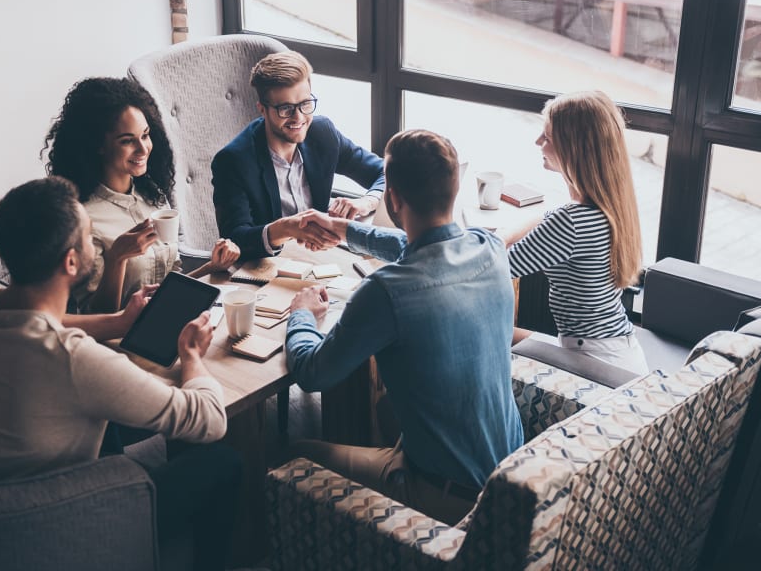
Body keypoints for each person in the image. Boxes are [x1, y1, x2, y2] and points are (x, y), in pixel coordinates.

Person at [0, 177, 240, 570]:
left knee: (130, 423)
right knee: (222, 461)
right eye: (87, 235)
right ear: (71, 261)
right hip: (54, 525)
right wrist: (191, 356)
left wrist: (118, 322)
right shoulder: (73, 360)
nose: (94, 242)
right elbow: (209, 420)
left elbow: (46, 319)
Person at [283, 129, 524, 525]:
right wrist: (344, 230)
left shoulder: (385, 291)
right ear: (454, 188)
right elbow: (423, 248)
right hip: (510, 476)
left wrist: (303, 313)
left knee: (293, 452)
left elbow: (312, 373)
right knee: (384, 408)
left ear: (392, 199)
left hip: (452, 500)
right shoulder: (489, 247)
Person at [43, 77, 240, 313]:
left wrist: (211, 266)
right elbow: (93, 318)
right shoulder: (83, 218)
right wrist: (117, 258)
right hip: (120, 341)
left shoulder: (151, 194)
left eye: (145, 135)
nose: (143, 148)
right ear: (98, 145)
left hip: (168, 319)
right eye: (127, 140)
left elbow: (167, 287)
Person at [501, 90, 648, 373]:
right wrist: (504, 235)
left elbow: (497, 267)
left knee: (487, 331)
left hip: (595, 367)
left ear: (574, 150)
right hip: (620, 351)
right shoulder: (609, 205)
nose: (538, 142)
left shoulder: (571, 222)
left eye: (548, 137)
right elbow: (546, 215)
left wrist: (498, 239)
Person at [211, 50, 386, 259]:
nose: (299, 118)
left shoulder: (322, 133)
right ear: (262, 109)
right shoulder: (233, 162)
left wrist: (365, 202)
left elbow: (386, 172)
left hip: (323, 258)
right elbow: (235, 240)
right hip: (268, 269)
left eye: (305, 104)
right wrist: (286, 228)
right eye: (286, 108)